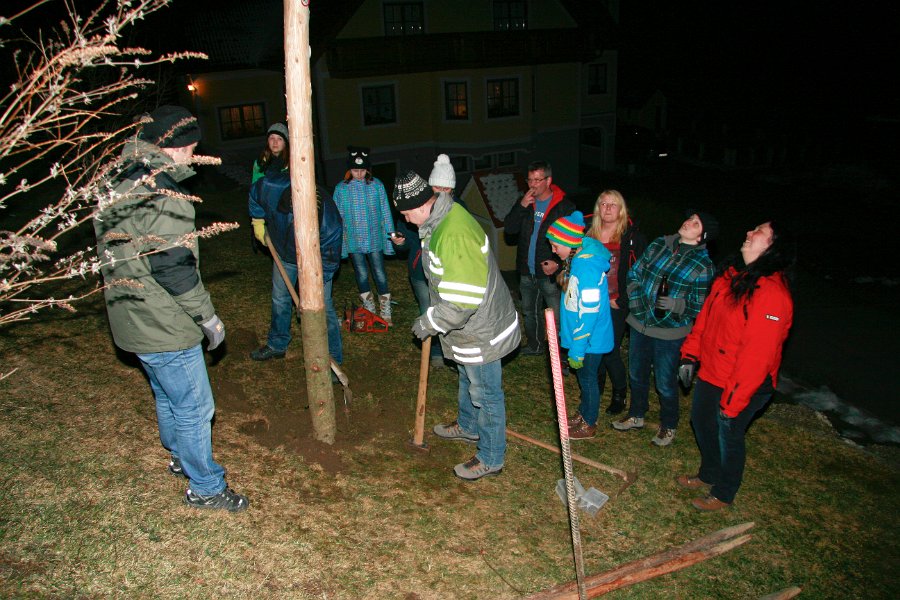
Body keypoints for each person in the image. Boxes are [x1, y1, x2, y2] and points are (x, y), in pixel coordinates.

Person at [93, 105, 248, 512]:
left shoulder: (120, 176)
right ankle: (206, 487)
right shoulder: (164, 194)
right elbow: (174, 267)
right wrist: (207, 316)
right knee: (195, 406)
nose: (193, 155)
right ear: (173, 146)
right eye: (191, 148)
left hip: (131, 313)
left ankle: (181, 457)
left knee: (167, 392)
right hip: (163, 320)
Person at [393, 169, 521, 480]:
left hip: (482, 329)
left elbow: (463, 301)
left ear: (422, 204)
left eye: (407, 214)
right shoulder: (441, 219)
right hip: (468, 329)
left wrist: (431, 321)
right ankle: (468, 425)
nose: (406, 221)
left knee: (486, 393)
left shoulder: (453, 233)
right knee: (467, 377)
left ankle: (491, 456)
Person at [676, 221, 794, 511]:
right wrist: (690, 354)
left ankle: (724, 492)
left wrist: (733, 401)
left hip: (746, 383)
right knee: (702, 423)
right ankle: (709, 473)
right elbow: (705, 320)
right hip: (714, 370)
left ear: (773, 248)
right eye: (751, 229)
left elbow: (757, 357)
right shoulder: (731, 277)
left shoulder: (772, 295)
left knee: (728, 434)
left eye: (759, 232)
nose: (749, 233)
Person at [612, 211, 717, 447]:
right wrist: (636, 303)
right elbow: (635, 273)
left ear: (702, 236)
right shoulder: (660, 244)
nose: (688, 222)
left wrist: (676, 305)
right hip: (639, 324)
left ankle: (668, 424)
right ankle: (636, 414)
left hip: (670, 333)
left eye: (696, 223)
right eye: (689, 218)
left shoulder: (703, 265)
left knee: (665, 382)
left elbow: (699, 306)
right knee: (636, 374)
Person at [247, 122, 343, 365]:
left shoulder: (327, 219)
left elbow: (331, 256)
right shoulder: (269, 187)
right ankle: (277, 344)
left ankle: (333, 356)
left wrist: (317, 287)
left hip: (316, 258)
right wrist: (258, 221)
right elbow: (254, 197)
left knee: (325, 306)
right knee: (280, 297)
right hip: (283, 251)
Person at [545, 212, 614, 440]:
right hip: (584, 338)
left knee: (588, 380)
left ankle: (589, 423)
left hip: (590, 339)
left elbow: (589, 312)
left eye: (555, 246)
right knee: (584, 379)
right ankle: (584, 413)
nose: (553, 250)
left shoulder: (587, 268)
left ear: (569, 242)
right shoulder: (578, 260)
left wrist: (577, 349)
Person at [389, 154, 462, 369]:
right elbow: (406, 240)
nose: (440, 193)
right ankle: (436, 353)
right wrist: (400, 243)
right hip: (420, 271)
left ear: (452, 189)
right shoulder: (415, 208)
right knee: (428, 311)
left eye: (446, 188)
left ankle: (454, 353)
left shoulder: (458, 210)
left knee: (451, 312)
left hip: (448, 274)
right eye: (436, 188)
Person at [584, 190, 647, 415]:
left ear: (621, 209)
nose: (608, 208)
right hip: (591, 300)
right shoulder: (587, 233)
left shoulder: (632, 237)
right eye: (603, 204)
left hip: (615, 303)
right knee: (591, 346)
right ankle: (596, 386)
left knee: (610, 350)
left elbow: (642, 273)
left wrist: (623, 299)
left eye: (613, 204)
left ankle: (620, 392)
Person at [503, 161, 575, 357]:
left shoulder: (563, 207)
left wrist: (558, 263)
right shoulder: (525, 203)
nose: (532, 185)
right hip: (526, 269)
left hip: (550, 273)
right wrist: (521, 206)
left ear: (548, 180)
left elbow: (575, 242)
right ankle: (535, 346)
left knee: (557, 315)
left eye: (537, 180)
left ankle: (560, 354)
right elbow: (509, 229)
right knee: (529, 312)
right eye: (530, 180)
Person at [333, 146, 396, 324]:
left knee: (379, 272)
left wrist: (390, 236)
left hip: (375, 239)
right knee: (361, 273)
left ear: (368, 169)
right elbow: (337, 216)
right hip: (354, 241)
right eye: (355, 170)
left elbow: (385, 211)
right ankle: (369, 308)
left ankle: (385, 308)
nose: (359, 174)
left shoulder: (377, 186)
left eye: (362, 170)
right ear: (349, 170)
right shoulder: (341, 189)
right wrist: (340, 242)